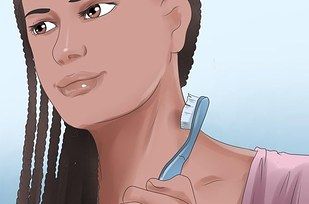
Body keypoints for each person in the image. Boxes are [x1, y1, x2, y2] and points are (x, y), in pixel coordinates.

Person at [13, 0, 309, 203]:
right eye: (42, 27)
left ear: (175, 20)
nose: (64, 50)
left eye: (94, 10)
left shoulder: (296, 186)